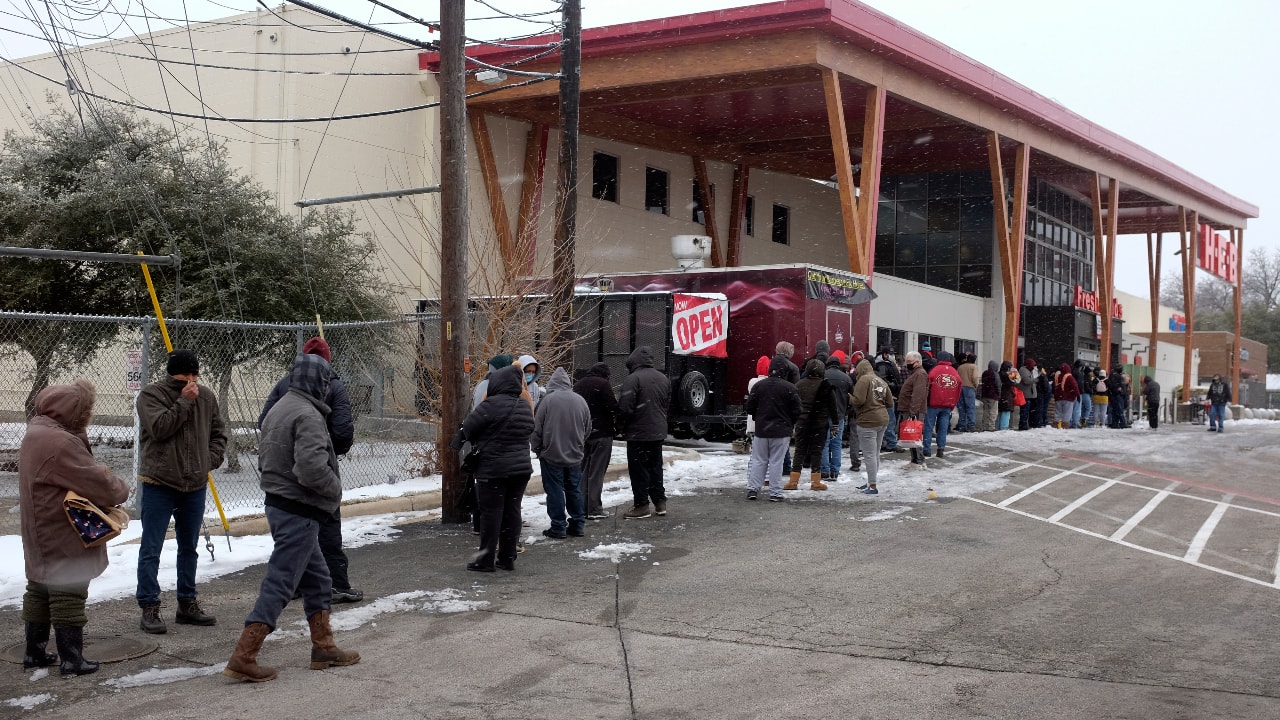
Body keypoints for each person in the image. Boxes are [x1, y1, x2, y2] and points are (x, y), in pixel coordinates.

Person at [225, 352, 359, 683]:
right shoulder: (309, 415)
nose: (329, 388)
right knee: (282, 581)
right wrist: (334, 490)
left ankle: (324, 647)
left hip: (281, 504)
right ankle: (245, 655)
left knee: (319, 579)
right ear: (320, 382)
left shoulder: (280, 407)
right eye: (327, 382)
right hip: (299, 508)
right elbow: (312, 468)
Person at [19, 380, 130, 677]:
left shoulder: (37, 432)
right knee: (69, 589)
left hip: (39, 525)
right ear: (74, 412)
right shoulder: (61, 442)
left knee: (40, 587)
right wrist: (121, 489)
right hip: (62, 529)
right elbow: (99, 484)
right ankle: (72, 659)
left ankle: (34, 652)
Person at [258, 337, 362, 604]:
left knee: (296, 535)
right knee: (327, 528)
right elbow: (342, 432)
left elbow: (264, 421)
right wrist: (327, 454)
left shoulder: (285, 385)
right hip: (317, 472)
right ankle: (337, 584)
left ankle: (296, 586)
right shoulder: (334, 386)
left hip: (284, 477)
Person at [135, 348, 227, 635]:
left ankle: (187, 603)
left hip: (194, 484)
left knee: (189, 548)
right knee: (152, 548)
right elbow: (160, 428)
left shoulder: (207, 397)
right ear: (172, 373)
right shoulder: (151, 395)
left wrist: (207, 461)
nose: (190, 380)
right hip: (159, 483)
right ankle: (149, 606)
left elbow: (219, 434)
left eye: (194, 374)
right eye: (185, 374)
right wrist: (183, 402)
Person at [454, 365, 535, 571]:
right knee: (512, 511)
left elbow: (468, 429)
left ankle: (485, 559)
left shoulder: (489, 405)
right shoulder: (524, 405)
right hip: (521, 470)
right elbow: (529, 429)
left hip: (493, 470)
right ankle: (507, 557)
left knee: (491, 514)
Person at [533, 367, 593, 539]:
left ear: (552, 384)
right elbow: (587, 428)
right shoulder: (580, 400)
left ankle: (558, 526)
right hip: (575, 454)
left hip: (552, 454)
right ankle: (578, 523)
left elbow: (537, 429)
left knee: (555, 490)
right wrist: (578, 444)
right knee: (574, 489)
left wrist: (537, 448)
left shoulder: (548, 400)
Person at [618, 346, 672, 519]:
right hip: (657, 431)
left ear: (633, 362)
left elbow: (625, 408)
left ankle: (641, 505)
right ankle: (660, 502)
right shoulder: (663, 378)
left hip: (638, 433)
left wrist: (620, 426)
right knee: (656, 467)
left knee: (639, 470)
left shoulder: (632, 379)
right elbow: (665, 405)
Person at [745, 356, 802, 501]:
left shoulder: (759, 386)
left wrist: (758, 417)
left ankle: (753, 489)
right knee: (777, 462)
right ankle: (775, 492)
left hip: (762, 430)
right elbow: (797, 410)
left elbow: (749, 407)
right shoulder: (789, 387)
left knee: (759, 460)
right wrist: (790, 423)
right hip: (781, 432)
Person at [573, 362, 619, 519]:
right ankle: (593, 508)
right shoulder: (603, 384)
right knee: (596, 472)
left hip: (583, 434)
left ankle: (581, 506)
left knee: (582, 470)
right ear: (605, 374)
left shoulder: (578, 385)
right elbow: (613, 407)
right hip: (602, 433)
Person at [786, 359, 838, 490]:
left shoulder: (799, 385)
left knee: (799, 452)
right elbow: (833, 408)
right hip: (820, 425)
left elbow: (792, 405)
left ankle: (793, 481)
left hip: (802, 424)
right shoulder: (826, 386)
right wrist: (835, 424)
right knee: (816, 452)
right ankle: (816, 482)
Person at [850, 358, 892, 495]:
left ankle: (872, 486)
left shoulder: (863, 380)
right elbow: (890, 402)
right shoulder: (880, 380)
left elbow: (858, 401)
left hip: (868, 421)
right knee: (875, 454)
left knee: (869, 455)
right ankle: (870, 482)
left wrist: (849, 397)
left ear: (860, 370)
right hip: (882, 420)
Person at [923, 351, 961, 459]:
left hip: (933, 403)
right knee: (943, 428)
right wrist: (953, 403)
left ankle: (927, 449)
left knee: (929, 426)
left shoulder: (934, 370)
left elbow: (927, 386)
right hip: (947, 404)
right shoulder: (954, 372)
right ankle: (941, 448)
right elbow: (958, 388)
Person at [822, 353, 853, 482]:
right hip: (839, 415)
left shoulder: (823, 376)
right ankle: (835, 471)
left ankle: (824, 471)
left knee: (824, 443)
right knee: (836, 443)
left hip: (824, 415)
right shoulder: (846, 378)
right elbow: (851, 397)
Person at [897, 351, 930, 469]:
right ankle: (916, 460)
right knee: (911, 436)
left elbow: (918, 394)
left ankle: (918, 461)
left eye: (909, 362)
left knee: (914, 436)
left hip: (914, 411)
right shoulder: (916, 373)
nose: (907, 364)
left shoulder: (919, 374)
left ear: (917, 362)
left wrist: (912, 411)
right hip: (912, 409)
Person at [874, 348, 903, 451]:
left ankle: (886, 441)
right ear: (885, 354)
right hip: (888, 396)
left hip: (890, 396)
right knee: (890, 420)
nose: (893, 356)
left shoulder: (886, 364)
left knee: (889, 420)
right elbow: (883, 381)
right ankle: (891, 442)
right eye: (891, 354)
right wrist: (894, 386)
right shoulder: (882, 365)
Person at [1052, 363, 1080, 428]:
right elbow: (1075, 386)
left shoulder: (1057, 376)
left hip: (1058, 398)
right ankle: (1065, 426)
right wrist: (1077, 395)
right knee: (1067, 413)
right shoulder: (1069, 377)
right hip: (1068, 398)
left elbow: (1054, 387)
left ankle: (1056, 425)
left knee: (1057, 412)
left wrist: (1055, 394)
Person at [956, 353, 979, 432]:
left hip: (960, 387)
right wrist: (976, 385)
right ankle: (971, 425)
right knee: (970, 408)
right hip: (969, 387)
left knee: (961, 407)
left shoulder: (960, 367)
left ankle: (961, 425)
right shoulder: (974, 367)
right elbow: (975, 377)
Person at [1017, 358, 1040, 430]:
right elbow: (1027, 381)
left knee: (1028, 410)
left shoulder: (1029, 370)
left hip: (1030, 394)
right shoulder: (1023, 370)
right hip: (1026, 394)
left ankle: (1027, 424)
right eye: (1033, 365)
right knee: (1024, 410)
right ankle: (1023, 425)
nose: (1034, 367)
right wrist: (1036, 380)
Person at [979, 360, 1001, 432]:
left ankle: (984, 425)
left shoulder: (985, 373)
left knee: (986, 411)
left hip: (985, 394)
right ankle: (991, 426)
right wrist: (999, 394)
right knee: (993, 411)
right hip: (993, 395)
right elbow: (998, 385)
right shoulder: (995, 374)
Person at [998, 361, 1019, 430]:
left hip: (1001, 395)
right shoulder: (1007, 375)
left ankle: (998, 426)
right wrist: (1014, 374)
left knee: (1000, 411)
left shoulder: (999, 373)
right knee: (1006, 411)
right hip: (1007, 395)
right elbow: (1016, 382)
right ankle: (1004, 427)